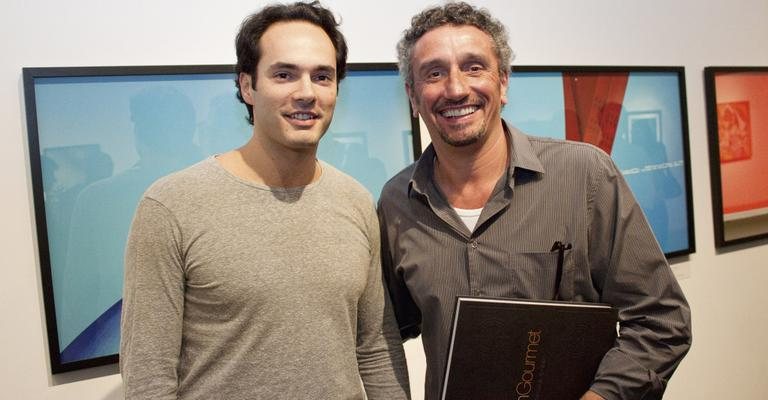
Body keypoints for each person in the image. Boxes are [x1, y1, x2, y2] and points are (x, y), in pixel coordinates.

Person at [378, 2, 691, 400]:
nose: (456, 88)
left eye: (474, 67)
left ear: (503, 82)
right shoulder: (397, 202)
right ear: (412, 93)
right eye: (434, 73)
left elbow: (662, 320)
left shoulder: (585, 175)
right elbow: (383, 331)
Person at [120, 2, 410, 399]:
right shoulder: (171, 206)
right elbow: (148, 376)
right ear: (247, 86)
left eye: (322, 76)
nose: (306, 93)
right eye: (285, 74)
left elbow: (376, 348)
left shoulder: (356, 200)